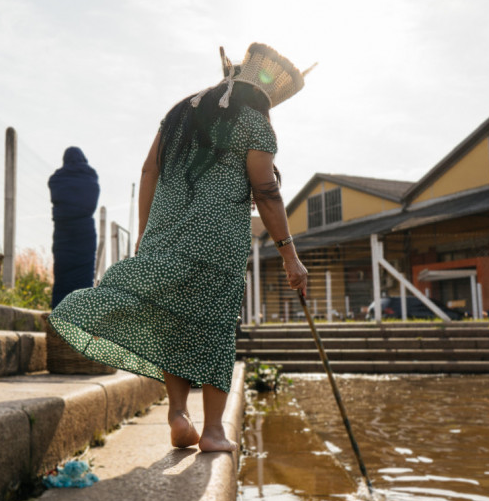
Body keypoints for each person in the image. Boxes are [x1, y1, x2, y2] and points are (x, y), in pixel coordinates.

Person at [49, 43, 309, 452]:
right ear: (263, 95)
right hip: (219, 240)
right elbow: (266, 190)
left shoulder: (178, 113)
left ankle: (177, 414)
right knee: (215, 327)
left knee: (172, 320)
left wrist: (145, 232)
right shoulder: (256, 123)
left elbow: (149, 169)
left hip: (164, 232)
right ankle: (212, 431)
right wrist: (290, 255)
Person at [48, 146, 100, 308]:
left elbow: (56, 197)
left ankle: (58, 318)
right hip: (85, 232)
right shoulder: (90, 178)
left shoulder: (56, 179)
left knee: (62, 274)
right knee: (84, 276)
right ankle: (81, 316)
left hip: (63, 231)